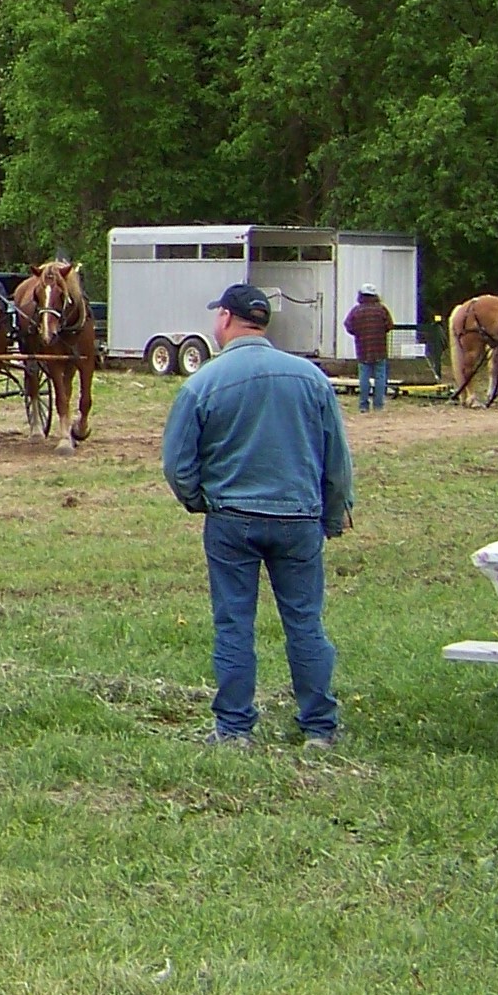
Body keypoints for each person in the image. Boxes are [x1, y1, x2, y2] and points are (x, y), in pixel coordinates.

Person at [161, 282, 353, 750]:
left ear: (226, 318)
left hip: (232, 519)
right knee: (305, 622)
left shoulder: (203, 382)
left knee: (234, 624)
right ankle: (319, 728)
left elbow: (176, 462)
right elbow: (337, 459)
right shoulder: (311, 379)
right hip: (298, 518)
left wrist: (198, 499)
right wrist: (331, 514)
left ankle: (234, 729)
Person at [343, 287, 394, 411]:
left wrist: (358, 332)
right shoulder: (381, 310)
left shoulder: (356, 311)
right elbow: (390, 325)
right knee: (380, 377)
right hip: (380, 348)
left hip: (362, 349)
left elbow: (348, 325)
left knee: (364, 378)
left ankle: (363, 406)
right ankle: (378, 405)